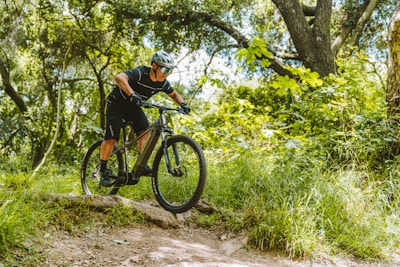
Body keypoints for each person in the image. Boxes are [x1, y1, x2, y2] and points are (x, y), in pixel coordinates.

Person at [98, 50, 190, 187]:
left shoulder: (162, 83)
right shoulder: (141, 73)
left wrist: (183, 104)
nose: (165, 73)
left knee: (145, 130)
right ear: (154, 65)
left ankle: (141, 164)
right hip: (117, 104)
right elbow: (119, 77)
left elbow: (174, 94)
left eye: (169, 71)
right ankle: (103, 170)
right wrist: (132, 94)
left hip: (133, 108)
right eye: (164, 69)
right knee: (112, 137)